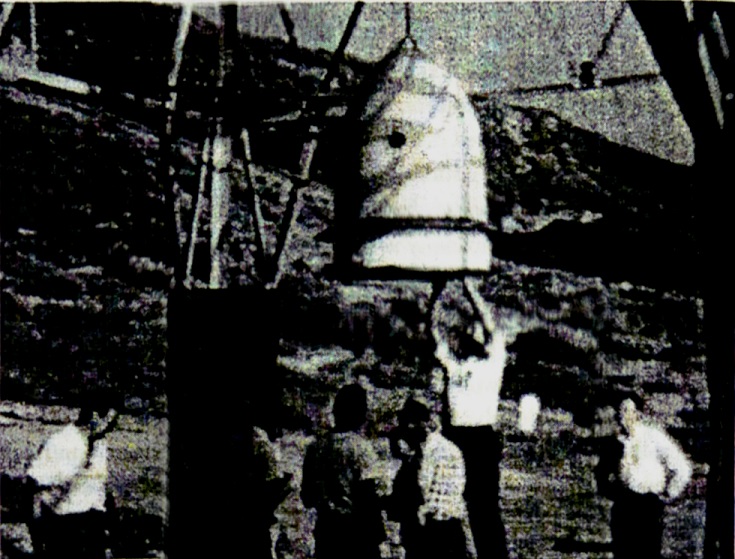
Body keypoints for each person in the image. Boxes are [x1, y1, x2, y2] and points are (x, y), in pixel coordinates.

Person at [595, 396, 692, 558]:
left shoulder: (652, 437)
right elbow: (601, 476)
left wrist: (670, 492)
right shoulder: (614, 444)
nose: (622, 417)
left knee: (648, 552)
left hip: (649, 507)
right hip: (624, 508)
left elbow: (682, 467)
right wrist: (614, 494)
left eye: (627, 411)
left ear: (636, 414)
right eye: (620, 413)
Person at [301, 384, 385, 559]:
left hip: (327, 532)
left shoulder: (314, 448)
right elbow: (368, 497)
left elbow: (307, 497)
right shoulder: (360, 448)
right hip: (356, 534)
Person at [389, 397, 475, 559]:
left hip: (438, 531)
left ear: (417, 425)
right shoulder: (422, 452)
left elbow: (433, 500)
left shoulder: (438, 452)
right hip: (430, 530)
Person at [27, 406, 118, 559]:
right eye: (108, 421)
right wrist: (37, 541)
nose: (111, 427)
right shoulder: (62, 442)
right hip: (65, 528)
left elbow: (100, 488)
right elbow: (34, 489)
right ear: (93, 417)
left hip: (93, 527)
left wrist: (109, 532)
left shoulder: (100, 442)